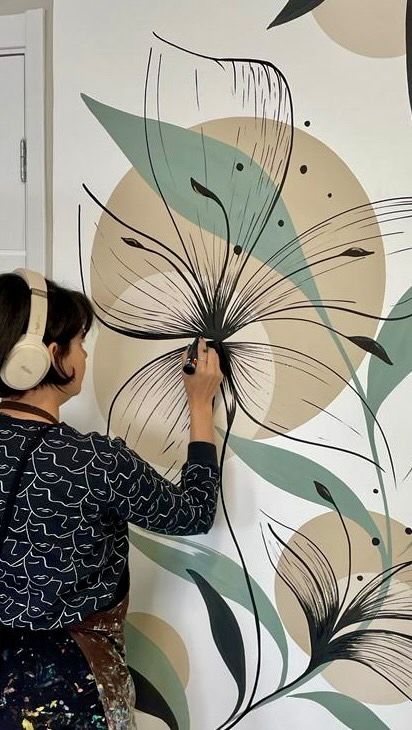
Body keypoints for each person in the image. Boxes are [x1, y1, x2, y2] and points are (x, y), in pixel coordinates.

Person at [0, 269, 222, 730]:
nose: (84, 353)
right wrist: (200, 404)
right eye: (80, 342)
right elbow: (193, 511)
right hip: (71, 688)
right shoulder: (91, 461)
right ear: (46, 356)